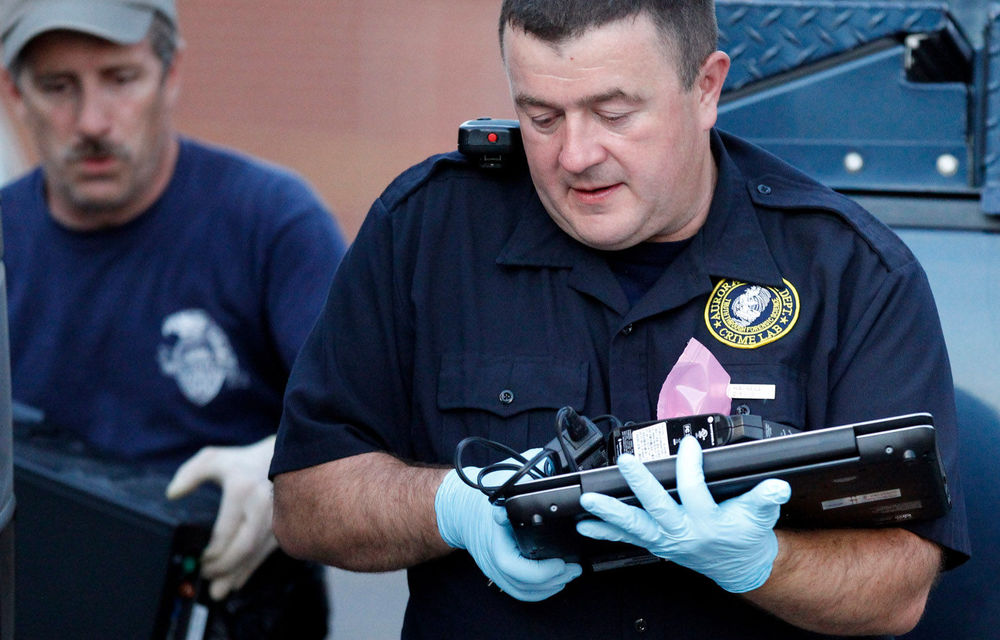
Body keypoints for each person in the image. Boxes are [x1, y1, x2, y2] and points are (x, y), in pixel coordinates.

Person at [269, 0, 969, 638]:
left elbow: (898, 586)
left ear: (706, 88)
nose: (575, 156)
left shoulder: (847, 270)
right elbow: (305, 502)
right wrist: (452, 507)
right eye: (541, 116)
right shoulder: (429, 232)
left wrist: (760, 562)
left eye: (613, 113)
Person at [0, 0, 346, 637]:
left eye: (120, 78)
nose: (92, 122)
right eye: (57, 87)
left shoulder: (270, 221)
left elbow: (376, 409)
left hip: (231, 607)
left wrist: (284, 463)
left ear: (172, 73)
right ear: (12, 92)